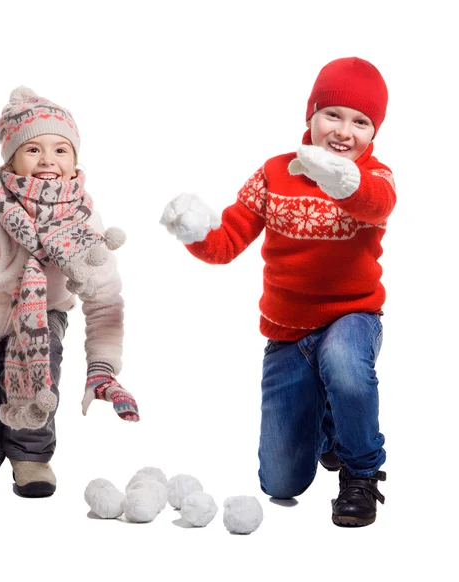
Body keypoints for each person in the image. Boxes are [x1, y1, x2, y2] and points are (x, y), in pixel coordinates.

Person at [160, 57, 395, 526]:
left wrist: (344, 182)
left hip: (353, 318)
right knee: (281, 483)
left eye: (361, 122)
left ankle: (362, 472)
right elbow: (227, 241)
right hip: (288, 332)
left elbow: (376, 203)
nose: (344, 131)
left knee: (345, 365)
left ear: (374, 133)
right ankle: (330, 430)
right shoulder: (274, 173)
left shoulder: (377, 177)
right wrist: (195, 231)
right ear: (310, 116)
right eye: (333, 114)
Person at [0, 86, 139, 498]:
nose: (48, 161)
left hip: (42, 317)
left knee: (45, 347)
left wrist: (103, 368)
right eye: (33, 149)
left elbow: (105, 301)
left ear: (75, 159)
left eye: (61, 150)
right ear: (11, 159)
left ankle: (32, 455)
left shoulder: (84, 218)